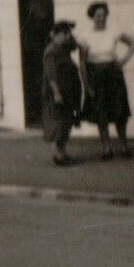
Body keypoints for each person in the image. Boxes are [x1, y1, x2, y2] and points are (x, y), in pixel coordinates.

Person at [77, 1, 134, 160]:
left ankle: (124, 145)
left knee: (120, 112)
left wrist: (123, 60)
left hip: (114, 74)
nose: (101, 18)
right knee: (101, 113)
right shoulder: (85, 36)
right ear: (92, 17)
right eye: (98, 15)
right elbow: (82, 63)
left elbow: (133, 43)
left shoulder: (113, 30)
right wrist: (86, 85)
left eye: (104, 15)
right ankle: (106, 147)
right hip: (96, 76)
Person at [41, 21, 83, 166]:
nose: (67, 36)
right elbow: (50, 74)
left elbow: (77, 45)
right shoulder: (51, 51)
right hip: (59, 93)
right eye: (64, 33)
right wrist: (57, 93)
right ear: (55, 34)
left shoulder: (63, 49)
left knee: (70, 120)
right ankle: (58, 155)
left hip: (70, 92)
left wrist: (71, 36)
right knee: (61, 123)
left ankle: (63, 152)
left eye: (68, 33)